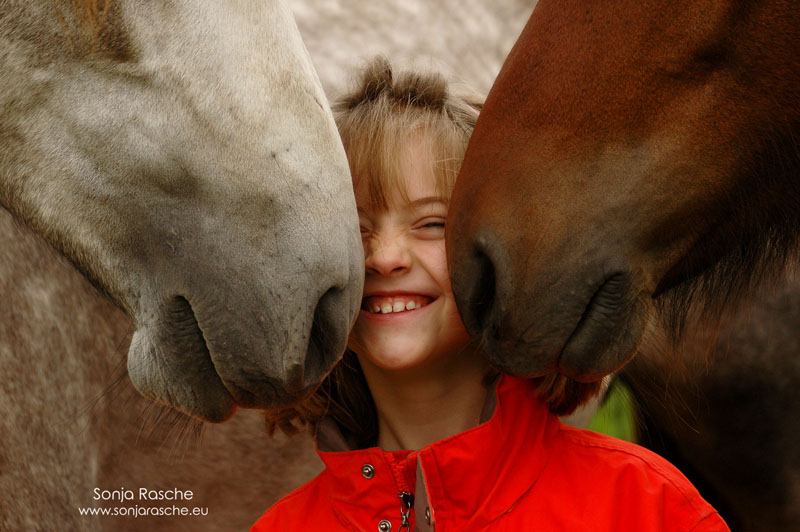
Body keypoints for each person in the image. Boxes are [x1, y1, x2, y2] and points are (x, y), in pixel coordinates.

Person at [252, 57, 729, 532]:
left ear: (508, 253)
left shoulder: (647, 507)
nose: (384, 256)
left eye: (431, 224)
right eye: (355, 230)